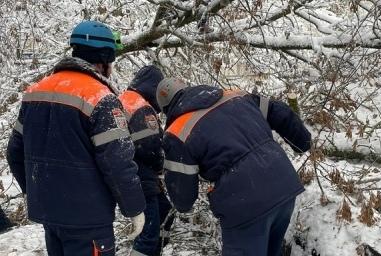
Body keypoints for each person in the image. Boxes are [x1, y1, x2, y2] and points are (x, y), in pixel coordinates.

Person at [6, 20, 146, 256]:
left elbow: (14, 152)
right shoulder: (101, 98)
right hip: (88, 219)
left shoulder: (34, 92)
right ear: (105, 60)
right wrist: (135, 208)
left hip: (50, 215)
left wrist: (38, 193)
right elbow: (117, 162)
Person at [156, 78, 311, 256]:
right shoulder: (235, 96)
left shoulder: (177, 132)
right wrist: (303, 142)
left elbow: (183, 199)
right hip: (284, 185)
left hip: (245, 204)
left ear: (166, 110)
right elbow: (280, 112)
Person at [118, 65, 174, 256]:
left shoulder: (124, 99)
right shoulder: (141, 107)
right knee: (149, 231)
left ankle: (156, 250)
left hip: (129, 173)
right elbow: (150, 146)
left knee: (165, 210)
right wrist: (163, 165)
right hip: (141, 176)